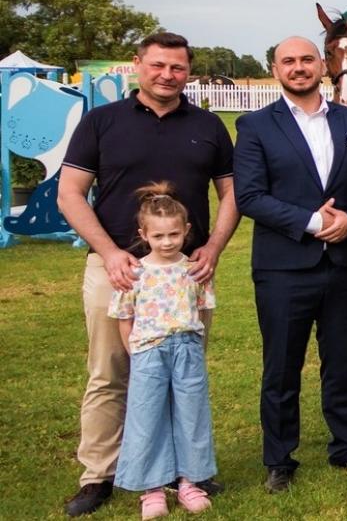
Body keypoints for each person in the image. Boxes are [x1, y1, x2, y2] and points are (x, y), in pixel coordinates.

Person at [57, 32, 238, 516]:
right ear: (137, 65)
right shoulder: (102, 122)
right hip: (118, 271)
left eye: (177, 68)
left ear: (188, 72)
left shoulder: (208, 126)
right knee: (111, 374)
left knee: (185, 376)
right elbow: (71, 193)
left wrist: (214, 248)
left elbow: (231, 194)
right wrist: (110, 252)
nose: (167, 75)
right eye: (157, 65)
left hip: (186, 274)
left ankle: (188, 472)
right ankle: (100, 474)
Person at [234, 36, 347, 493]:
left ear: (323, 65)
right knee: (282, 365)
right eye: (288, 61)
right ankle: (279, 456)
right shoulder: (255, 125)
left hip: (344, 262)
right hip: (284, 266)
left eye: (307, 59)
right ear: (275, 69)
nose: (299, 67)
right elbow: (250, 196)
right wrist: (314, 222)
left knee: (341, 361)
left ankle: (346, 445)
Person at [110, 183, 218, 519]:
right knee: (146, 417)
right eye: (159, 237)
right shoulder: (135, 273)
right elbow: (124, 316)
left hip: (186, 349)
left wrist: (196, 347)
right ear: (144, 234)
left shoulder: (195, 271)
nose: (167, 242)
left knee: (191, 414)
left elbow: (202, 311)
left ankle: (189, 481)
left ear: (186, 231)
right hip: (148, 351)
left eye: (174, 234)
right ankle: (152, 488)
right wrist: (135, 350)